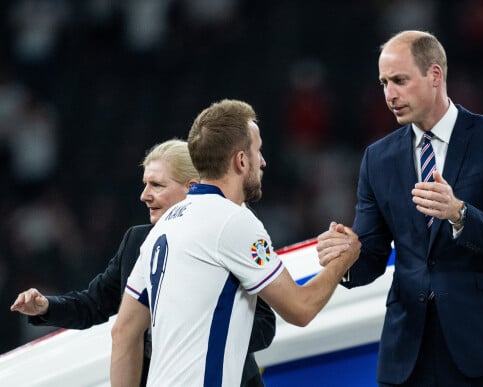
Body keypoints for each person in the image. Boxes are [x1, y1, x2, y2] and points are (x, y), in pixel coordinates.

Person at [316, 30, 483, 386]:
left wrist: (460, 214)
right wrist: (344, 257)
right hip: (409, 352)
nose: (390, 95)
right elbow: (372, 257)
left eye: (400, 81)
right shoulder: (377, 158)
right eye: (384, 83)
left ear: (435, 75)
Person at [110, 99, 360, 386]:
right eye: (257, 150)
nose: (263, 161)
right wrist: (344, 257)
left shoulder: (163, 227)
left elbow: (124, 332)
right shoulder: (233, 220)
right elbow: (300, 308)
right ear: (241, 160)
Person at [10, 139, 276, 387]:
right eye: (145, 184)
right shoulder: (137, 242)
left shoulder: (229, 237)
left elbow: (264, 325)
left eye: (157, 185)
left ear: (192, 187)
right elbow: (95, 303)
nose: (144, 195)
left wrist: (195, 335)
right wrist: (46, 307)